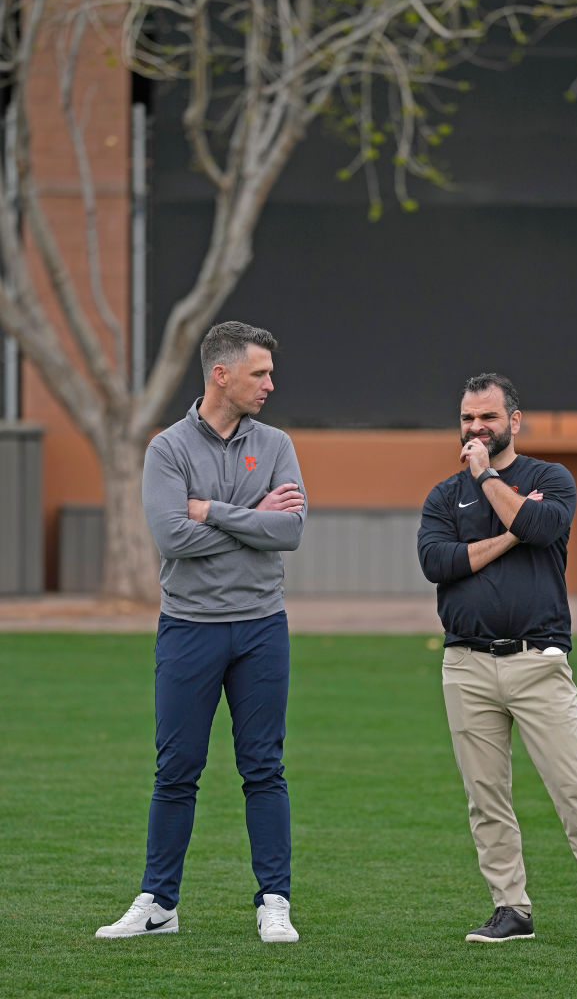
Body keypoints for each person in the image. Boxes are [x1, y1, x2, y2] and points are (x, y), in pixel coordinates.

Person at [417, 372, 577, 951]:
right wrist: (511, 534)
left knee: (576, 788)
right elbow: (437, 562)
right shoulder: (444, 495)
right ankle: (510, 907)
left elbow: (542, 523)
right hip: (466, 667)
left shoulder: (550, 478)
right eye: (468, 418)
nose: (475, 427)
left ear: (512, 422)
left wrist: (488, 478)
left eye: (487, 418)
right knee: (485, 797)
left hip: (538, 662)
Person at [96, 321, 306, 943]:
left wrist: (209, 508)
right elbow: (170, 538)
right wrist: (252, 517)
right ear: (222, 374)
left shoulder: (276, 444)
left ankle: (274, 900)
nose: (271, 383)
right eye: (259, 373)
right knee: (176, 771)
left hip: (262, 628)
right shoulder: (166, 449)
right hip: (189, 629)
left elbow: (289, 531)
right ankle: (158, 904)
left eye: (269, 372)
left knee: (263, 767)